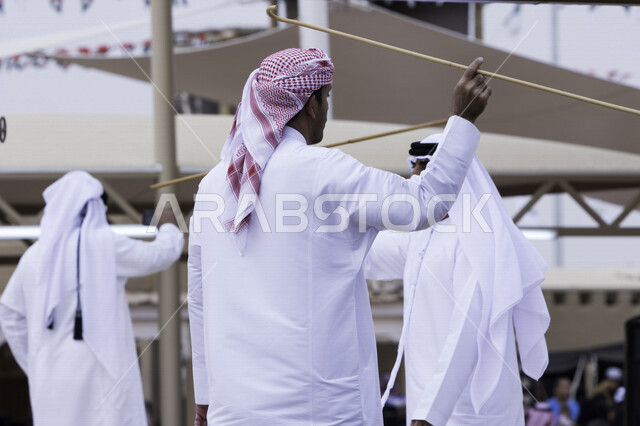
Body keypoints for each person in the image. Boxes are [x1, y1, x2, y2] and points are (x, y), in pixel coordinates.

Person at [188, 47, 490, 425]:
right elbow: (427, 202)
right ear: (311, 104)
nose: (327, 109)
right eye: (326, 96)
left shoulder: (213, 186)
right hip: (321, 411)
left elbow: (198, 300)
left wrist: (204, 398)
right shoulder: (322, 170)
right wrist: (462, 119)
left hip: (233, 412)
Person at [364, 134, 550, 425]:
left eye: (424, 166)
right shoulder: (423, 235)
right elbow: (365, 256)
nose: (414, 174)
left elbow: (465, 333)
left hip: (469, 411)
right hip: (424, 406)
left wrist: (430, 414)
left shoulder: (479, 242)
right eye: (414, 165)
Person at [0, 171, 184, 426]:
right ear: (94, 206)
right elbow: (161, 255)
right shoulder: (103, 244)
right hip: (99, 380)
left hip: (50, 383)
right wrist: (168, 227)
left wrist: (34, 362)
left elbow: (8, 315)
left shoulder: (32, 257)